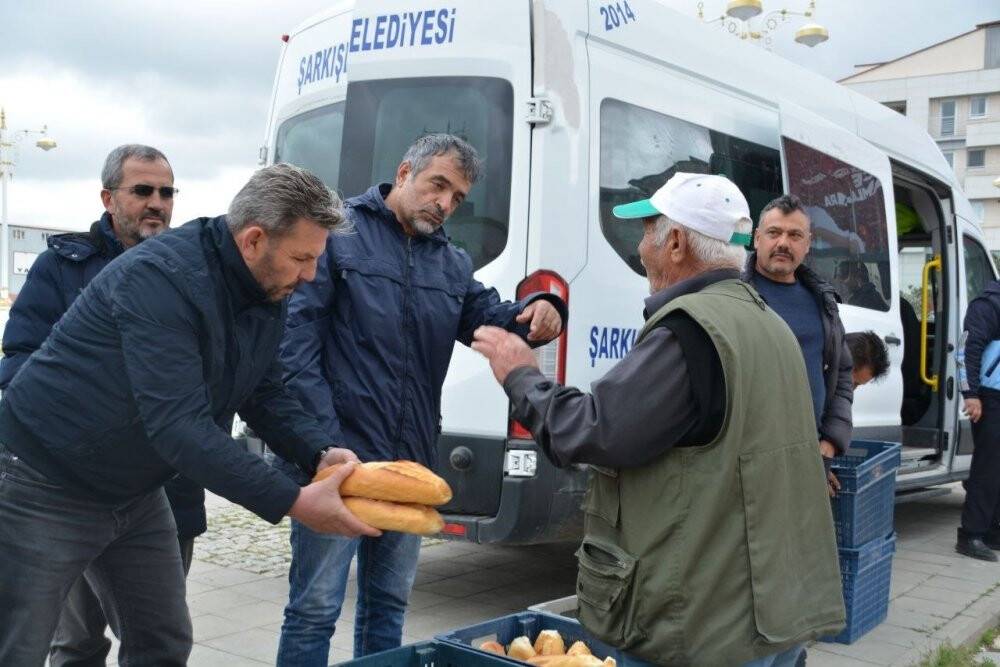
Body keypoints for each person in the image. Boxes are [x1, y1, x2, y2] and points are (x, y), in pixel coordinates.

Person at [0, 163, 379, 666]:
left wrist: (318, 450)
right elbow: (178, 427)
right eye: (302, 258)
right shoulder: (160, 278)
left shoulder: (268, 283)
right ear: (253, 239)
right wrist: (294, 500)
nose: (310, 275)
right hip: (43, 483)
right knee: (18, 648)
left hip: (133, 490)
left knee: (163, 642)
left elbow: (263, 391)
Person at [472, 173, 844, 666]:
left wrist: (520, 374)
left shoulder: (690, 330)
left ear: (675, 242)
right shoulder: (768, 322)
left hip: (702, 627)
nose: (640, 247)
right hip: (767, 614)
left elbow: (592, 431)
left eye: (647, 232)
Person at [274, 133, 567, 663]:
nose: (445, 203)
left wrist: (542, 308)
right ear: (405, 173)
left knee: (388, 604)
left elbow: (494, 316)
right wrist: (321, 446)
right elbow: (295, 351)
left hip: (408, 461)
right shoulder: (339, 237)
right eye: (438, 185)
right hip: (337, 462)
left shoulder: (450, 262)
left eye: (457, 197)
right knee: (315, 607)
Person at [0, 144, 209, 667]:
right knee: (77, 642)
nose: (156, 203)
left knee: (160, 636)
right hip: (70, 484)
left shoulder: (187, 271)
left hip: (162, 488)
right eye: (142, 191)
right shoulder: (63, 267)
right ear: (108, 197)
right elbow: (20, 360)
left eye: (166, 192)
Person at [743, 194, 855, 473]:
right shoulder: (733, 294)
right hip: (747, 461)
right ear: (757, 239)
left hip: (808, 460)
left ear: (808, 244)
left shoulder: (824, 304)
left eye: (795, 235)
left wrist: (831, 440)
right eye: (774, 233)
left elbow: (843, 374)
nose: (783, 242)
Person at [956, 278, 1000, 561]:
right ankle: (970, 535)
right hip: (989, 396)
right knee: (988, 466)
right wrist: (970, 394)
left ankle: (992, 531)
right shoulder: (988, 303)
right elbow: (966, 350)